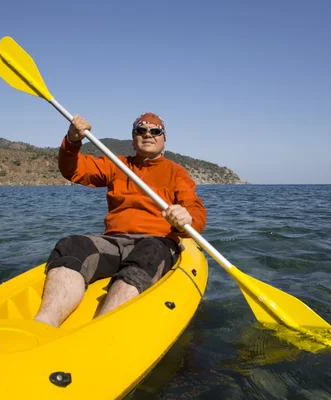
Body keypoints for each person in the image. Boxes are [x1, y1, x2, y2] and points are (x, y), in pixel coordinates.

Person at [34, 112, 207, 327]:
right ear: (133, 139)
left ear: (163, 139)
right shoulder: (117, 164)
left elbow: (195, 211)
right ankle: (43, 323)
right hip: (115, 242)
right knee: (71, 245)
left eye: (155, 131)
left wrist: (185, 218)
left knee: (149, 251)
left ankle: (100, 328)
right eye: (140, 130)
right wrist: (72, 140)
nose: (148, 135)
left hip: (156, 241)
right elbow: (73, 170)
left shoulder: (177, 172)